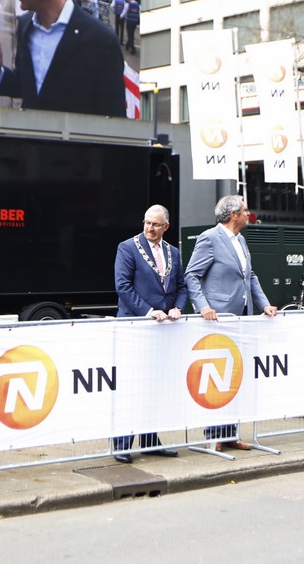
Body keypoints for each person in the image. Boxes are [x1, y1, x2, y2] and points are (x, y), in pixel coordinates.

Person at [183, 195, 277, 451]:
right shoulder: (209, 238)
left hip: (241, 318)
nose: (249, 214)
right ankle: (213, 435)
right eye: (245, 210)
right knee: (217, 377)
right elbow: (191, 275)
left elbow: (250, 276)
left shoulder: (241, 240)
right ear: (233, 214)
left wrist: (264, 304)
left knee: (235, 375)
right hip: (219, 319)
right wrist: (203, 306)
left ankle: (230, 433)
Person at [111, 205, 188, 463]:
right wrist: (148, 311)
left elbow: (181, 286)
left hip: (163, 329)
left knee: (155, 385)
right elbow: (123, 287)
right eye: (147, 223)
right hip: (136, 326)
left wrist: (178, 307)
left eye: (155, 224)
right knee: (132, 385)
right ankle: (122, 443)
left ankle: (149, 440)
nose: (149, 228)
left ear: (166, 226)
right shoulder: (127, 248)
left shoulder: (173, 252)